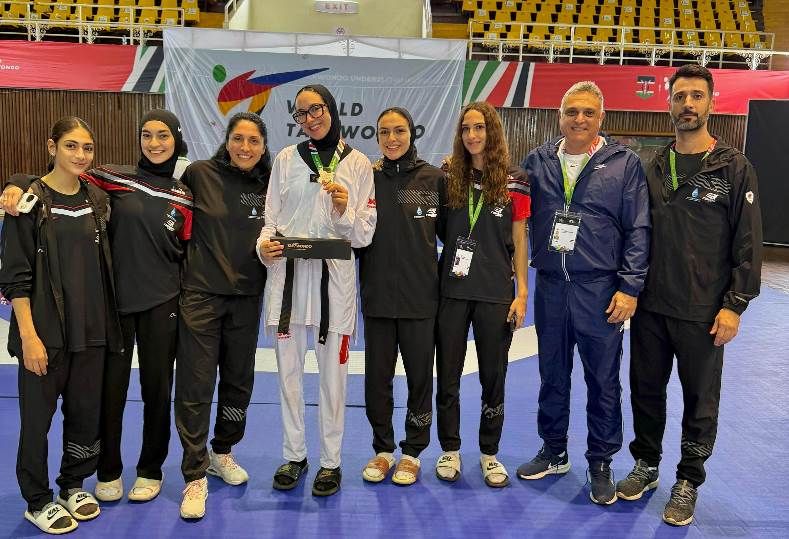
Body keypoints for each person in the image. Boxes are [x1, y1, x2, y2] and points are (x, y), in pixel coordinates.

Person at [0, 110, 194, 505]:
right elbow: (51, 181)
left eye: (163, 136)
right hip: (111, 307)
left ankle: (142, 471)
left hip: (151, 307)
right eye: (147, 135)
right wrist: (14, 183)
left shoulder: (181, 194)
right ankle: (103, 472)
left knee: (151, 393)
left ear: (177, 139)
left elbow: (190, 248)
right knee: (106, 395)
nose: (154, 143)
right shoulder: (110, 178)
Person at [615, 64, 763, 526]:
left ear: (711, 103)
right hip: (652, 306)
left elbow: (748, 243)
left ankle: (688, 480)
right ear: (669, 104)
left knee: (700, 399)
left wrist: (734, 305)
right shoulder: (654, 165)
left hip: (704, 310)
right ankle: (646, 464)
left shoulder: (734, 167)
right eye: (680, 97)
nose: (688, 105)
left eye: (697, 96)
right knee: (645, 391)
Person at [517, 81, 650, 505]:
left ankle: (601, 461)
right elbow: (513, 213)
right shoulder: (537, 161)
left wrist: (629, 287)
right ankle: (554, 450)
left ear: (601, 118)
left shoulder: (624, 164)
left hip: (600, 290)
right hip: (551, 288)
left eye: (588, 112)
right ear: (559, 116)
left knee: (603, 380)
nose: (579, 119)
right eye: (572, 111)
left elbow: (638, 229)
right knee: (552, 374)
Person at [0, 117, 122, 534]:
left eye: (87, 147)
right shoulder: (27, 201)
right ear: (52, 146)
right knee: (37, 423)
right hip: (44, 336)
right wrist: (29, 337)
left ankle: (73, 484)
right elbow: (15, 278)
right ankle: (37, 500)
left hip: (93, 332)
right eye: (71, 145)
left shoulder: (98, 199)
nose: (80, 155)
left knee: (85, 415)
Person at [257, 84, 376, 497]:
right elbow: (270, 221)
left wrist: (344, 209)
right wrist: (263, 246)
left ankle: (330, 461)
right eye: (301, 113)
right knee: (288, 376)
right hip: (288, 280)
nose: (310, 119)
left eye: (316, 109)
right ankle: (294, 455)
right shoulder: (285, 159)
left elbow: (363, 235)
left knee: (333, 380)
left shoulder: (357, 163)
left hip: (333, 284)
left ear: (331, 109)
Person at [174, 112, 271, 519]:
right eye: (238, 138)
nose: (245, 147)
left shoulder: (269, 184)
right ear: (227, 140)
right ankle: (194, 473)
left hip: (247, 297)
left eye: (253, 141)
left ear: (263, 147)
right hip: (200, 295)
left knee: (237, 381)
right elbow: (160, 203)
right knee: (196, 383)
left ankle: (222, 451)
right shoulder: (199, 174)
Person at [434, 101, 530, 488]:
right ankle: (450, 449)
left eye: (479, 127)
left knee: (494, 375)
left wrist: (522, 292)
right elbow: (441, 228)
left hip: (495, 292)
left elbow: (520, 238)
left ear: (493, 131)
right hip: (453, 290)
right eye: (465, 129)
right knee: (448, 374)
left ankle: (490, 452)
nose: (472, 135)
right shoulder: (448, 175)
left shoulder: (516, 180)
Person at [358, 107, 445, 486]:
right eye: (384, 132)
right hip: (377, 297)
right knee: (376, 380)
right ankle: (383, 449)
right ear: (377, 136)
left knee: (419, 379)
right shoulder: (367, 178)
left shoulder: (434, 179)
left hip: (421, 299)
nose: (391, 139)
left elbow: (453, 234)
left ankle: (412, 452)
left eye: (399, 131)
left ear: (412, 133)